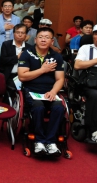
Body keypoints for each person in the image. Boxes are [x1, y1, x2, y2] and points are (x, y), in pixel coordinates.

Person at [18, 27, 64, 156]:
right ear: (36, 39)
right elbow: (22, 76)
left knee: (59, 108)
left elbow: (60, 79)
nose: (43, 40)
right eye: (41, 37)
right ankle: (39, 140)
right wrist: (43, 70)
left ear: (52, 41)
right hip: (31, 90)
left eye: (47, 37)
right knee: (38, 107)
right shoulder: (27, 53)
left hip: (50, 91)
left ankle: (51, 141)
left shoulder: (56, 56)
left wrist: (54, 92)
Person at [74, 25, 97, 142]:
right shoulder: (86, 48)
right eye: (96, 34)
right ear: (93, 36)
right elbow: (77, 66)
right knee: (94, 95)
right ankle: (93, 130)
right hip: (89, 83)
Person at [0, 24, 32, 97]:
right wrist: (17, 57)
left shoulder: (29, 48)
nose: (20, 35)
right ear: (14, 34)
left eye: (22, 33)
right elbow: (3, 60)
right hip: (10, 75)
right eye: (17, 32)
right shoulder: (6, 44)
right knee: (11, 92)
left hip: (24, 76)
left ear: (26, 35)